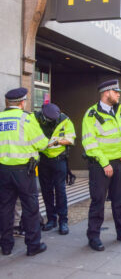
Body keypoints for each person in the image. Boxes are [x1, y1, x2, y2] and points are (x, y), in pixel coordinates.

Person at [82, 80, 121, 251]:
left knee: (120, 200)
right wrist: (105, 163)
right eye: (116, 91)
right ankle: (94, 236)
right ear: (106, 93)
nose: (119, 94)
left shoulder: (117, 114)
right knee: (98, 201)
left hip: (120, 163)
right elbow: (89, 142)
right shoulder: (91, 115)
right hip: (101, 165)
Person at [0, 88, 49, 256]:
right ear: (22, 102)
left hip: (3, 171)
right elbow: (41, 144)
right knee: (30, 208)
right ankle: (33, 245)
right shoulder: (26, 119)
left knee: (5, 208)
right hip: (24, 172)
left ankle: (6, 246)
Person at [35, 103, 76, 235]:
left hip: (59, 160)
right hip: (43, 160)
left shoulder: (64, 120)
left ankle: (63, 221)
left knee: (60, 191)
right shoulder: (36, 119)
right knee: (46, 191)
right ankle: (51, 220)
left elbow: (71, 139)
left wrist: (57, 142)